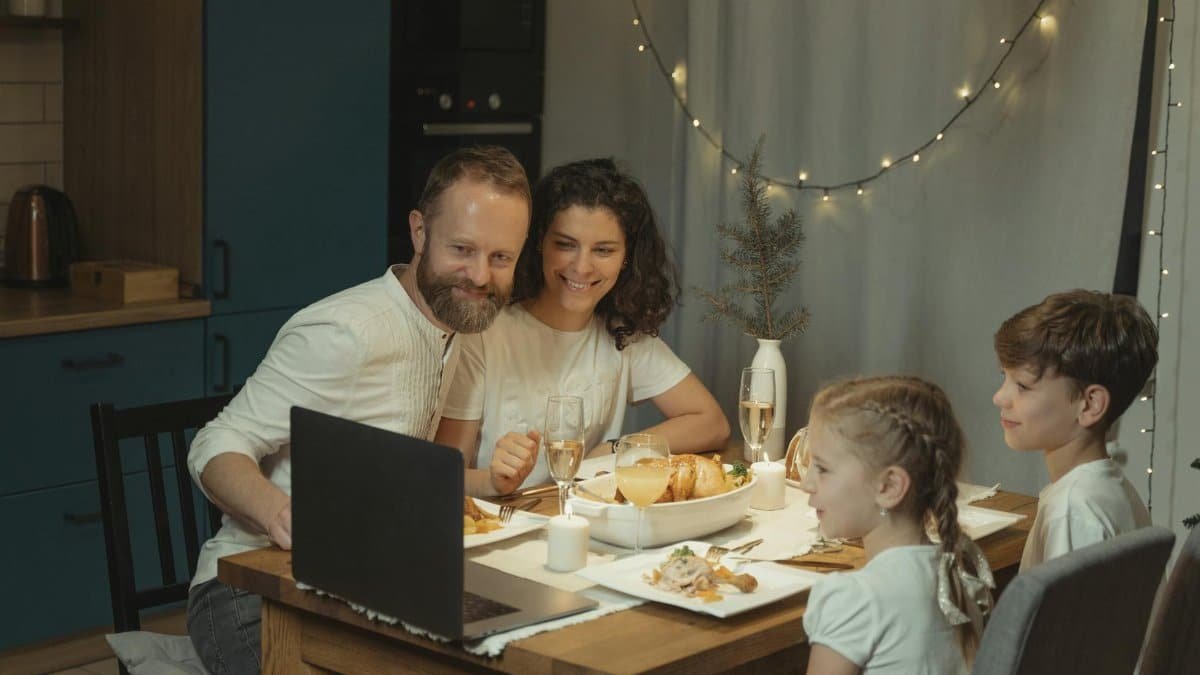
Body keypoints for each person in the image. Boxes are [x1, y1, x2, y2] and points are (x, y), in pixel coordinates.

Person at [184, 146, 531, 674]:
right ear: (419, 233)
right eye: (462, 248)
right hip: (248, 594)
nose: (480, 275)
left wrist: (490, 486)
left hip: (363, 587)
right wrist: (284, 514)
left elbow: (402, 474)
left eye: (500, 257)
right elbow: (215, 444)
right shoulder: (346, 334)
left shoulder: (457, 323)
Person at [436, 158, 730, 496]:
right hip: (501, 526)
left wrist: (619, 449)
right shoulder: (484, 335)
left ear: (626, 258)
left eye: (603, 250)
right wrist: (492, 480)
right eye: (565, 244)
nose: (582, 267)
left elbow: (712, 422)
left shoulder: (622, 336)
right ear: (539, 243)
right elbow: (445, 473)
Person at [799, 376, 994, 674]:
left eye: (823, 468)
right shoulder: (960, 568)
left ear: (889, 487)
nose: (806, 483)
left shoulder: (855, 599)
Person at [993, 289, 1157, 571]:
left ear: (1089, 405)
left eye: (1022, 386)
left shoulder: (1073, 512)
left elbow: (1067, 616)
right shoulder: (1108, 489)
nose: (999, 397)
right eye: (1004, 378)